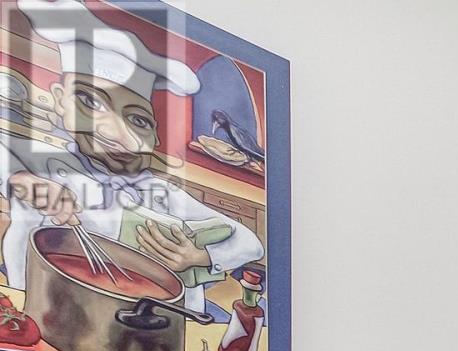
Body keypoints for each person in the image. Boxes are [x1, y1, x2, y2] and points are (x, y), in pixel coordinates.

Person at [0, 0, 263, 312]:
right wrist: (21, 180)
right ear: (60, 100)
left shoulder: (160, 193)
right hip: (41, 308)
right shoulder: (45, 164)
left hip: (148, 320)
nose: (113, 131)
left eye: (137, 120)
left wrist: (200, 257)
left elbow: (251, 242)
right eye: (90, 101)